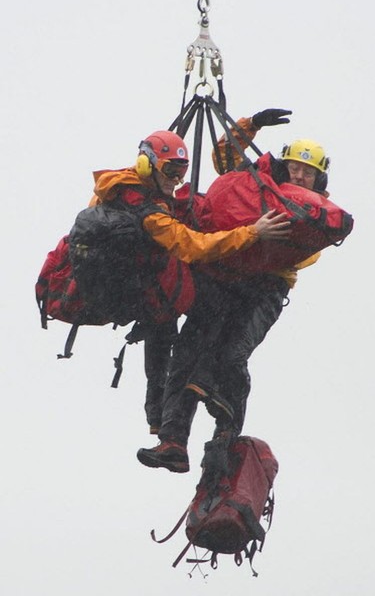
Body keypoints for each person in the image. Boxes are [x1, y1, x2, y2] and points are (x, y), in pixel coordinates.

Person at [136, 110, 330, 473]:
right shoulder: (259, 186)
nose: (300, 174)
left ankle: (225, 435)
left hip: (263, 288)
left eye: (308, 171)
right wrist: (250, 125)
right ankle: (172, 441)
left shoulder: (314, 218)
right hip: (223, 273)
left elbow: (305, 256)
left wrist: (261, 239)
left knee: (231, 355)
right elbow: (226, 161)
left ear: (320, 178)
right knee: (187, 355)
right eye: (294, 167)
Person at [91, 128, 291, 436]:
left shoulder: (116, 187)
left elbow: (225, 157)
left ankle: (160, 419)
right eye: (170, 171)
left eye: (181, 173)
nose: (175, 180)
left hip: (137, 283)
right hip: (144, 286)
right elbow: (194, 247)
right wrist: (253, 233)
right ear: (147, 165)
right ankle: (176, 408)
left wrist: (247, 124)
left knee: (162, 339)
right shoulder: (150, 213)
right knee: (190, 322)